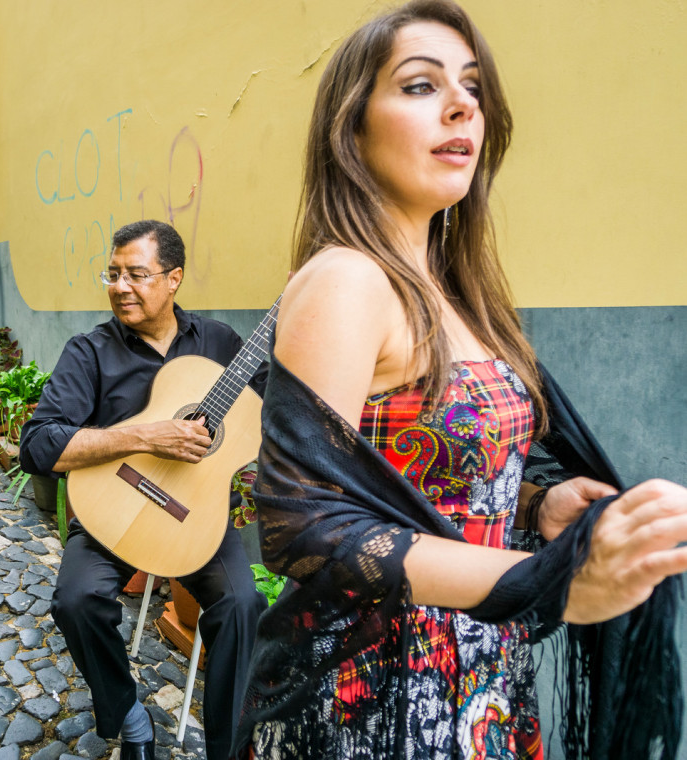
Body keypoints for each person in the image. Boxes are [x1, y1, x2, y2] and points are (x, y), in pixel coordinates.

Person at [231, 2, 687, 758]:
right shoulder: (347, 279)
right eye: (419, 85)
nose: (461, 103)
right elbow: (299, 522)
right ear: (353, 127)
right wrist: (546, 583)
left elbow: (430, 476)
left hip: (482, 686)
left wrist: (538, 506)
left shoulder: (457, 290)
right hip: (377, 705)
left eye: (473, 87)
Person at [20, 219, 268, 760]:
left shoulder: (221, 343)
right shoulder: (89, 353)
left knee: (243, 603)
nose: (120, 286)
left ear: (174, 278)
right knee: (77, 599)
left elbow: (272, 411)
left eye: (136, 274)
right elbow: (38, 446)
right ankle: (127, 714)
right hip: (116, 510)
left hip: (194, 515)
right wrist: (143, 435)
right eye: (112, 274)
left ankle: (227, 748)